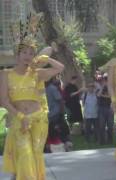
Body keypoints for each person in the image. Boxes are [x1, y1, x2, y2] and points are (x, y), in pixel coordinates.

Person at [1, 12, 64, 180]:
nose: (28, 56)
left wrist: (47, 59)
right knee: (25, 154)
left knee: (36, 155)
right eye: (25, 52)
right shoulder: (5, 74)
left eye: (31, 53)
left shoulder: (37, 73)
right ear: (17, 54)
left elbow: (60, 68)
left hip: (39, 119)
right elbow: (4, 100)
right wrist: (21, 117)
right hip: (19, 119)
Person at [97, 74, 114, 144]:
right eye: (105, 80)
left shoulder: (112, 88)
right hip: (101, 108)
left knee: (110, 126)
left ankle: (110, 140)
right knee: (101, 126)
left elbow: (111, 96)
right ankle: (102, 141)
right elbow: (98, 95)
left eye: (107, 80)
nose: (105, 81)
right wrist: (103, 86)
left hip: (110, 108)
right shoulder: (100, 88)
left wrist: (103, 95)